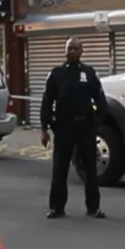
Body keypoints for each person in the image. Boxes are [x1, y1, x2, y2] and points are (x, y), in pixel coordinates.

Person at [40, 37, 108, 219]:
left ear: (81, 51)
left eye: (75, 48)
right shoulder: (57, 74)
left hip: (85, 126)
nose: (72, 51)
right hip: (64, 127)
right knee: (59, 168)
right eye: (69, 48)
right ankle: (56, 207)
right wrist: (44, 127)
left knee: (90, 169)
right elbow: (47, 101)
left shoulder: (89, 73)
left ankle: (93, 208)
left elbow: (100, 99)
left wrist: (97, 121)